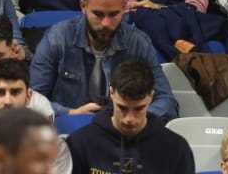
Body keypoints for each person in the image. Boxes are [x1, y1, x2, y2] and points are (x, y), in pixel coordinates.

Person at [28, 0, 176, 119]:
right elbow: (31, 100)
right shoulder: (56, 38)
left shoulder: (138, 42)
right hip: (68, 131)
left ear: (124, 8)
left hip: (121, 135)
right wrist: (71, 114)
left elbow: (167, 102)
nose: (106, 23)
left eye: (113, 14)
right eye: (98, 14)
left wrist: (129, 115)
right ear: (83, 7)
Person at [65, 61, 194, 174]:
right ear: (111, 93)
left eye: (138, 108)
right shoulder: (80, 143)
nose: (129, 119)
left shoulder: (175, 148)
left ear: (151, 96)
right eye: (122, 108)